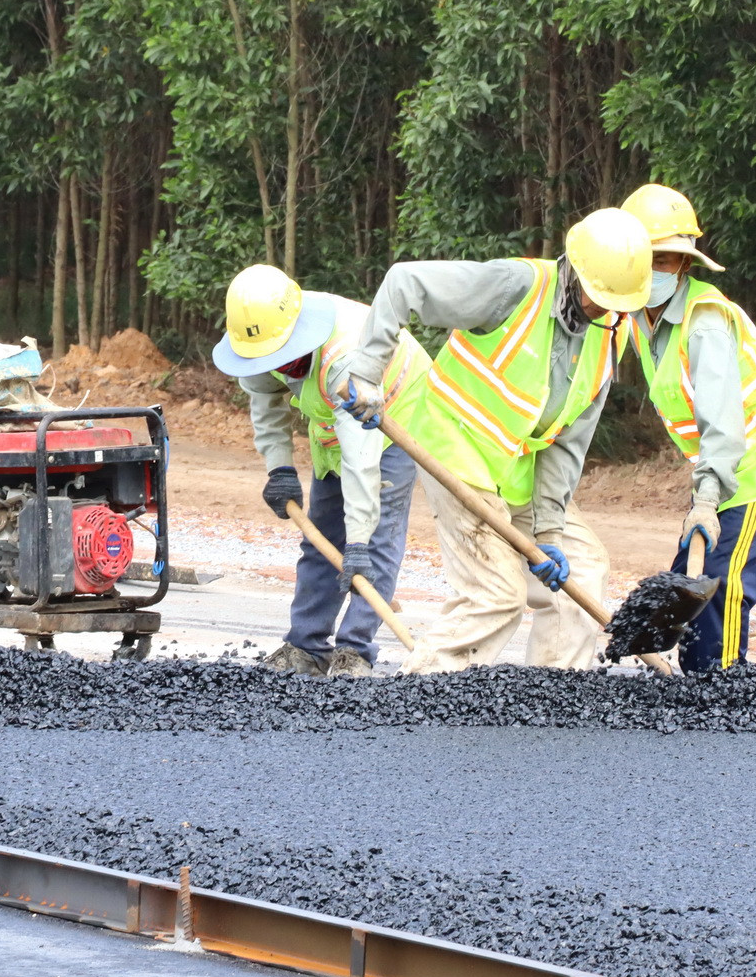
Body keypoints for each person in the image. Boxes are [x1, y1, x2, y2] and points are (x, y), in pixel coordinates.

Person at [340, 209, 652, 673]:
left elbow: (567, 442)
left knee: (583, 569)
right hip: (453, 451)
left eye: (615, 302)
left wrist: (549, 533)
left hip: (516, 473)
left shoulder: (611, 334)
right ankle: (418, 695)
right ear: (573, 269)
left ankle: (551, 698)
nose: (603, 309)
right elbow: (403, 283)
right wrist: (366, 372)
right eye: (596, 296)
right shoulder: (514, 286)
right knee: (496, 596)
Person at [618, 183, 756, 672]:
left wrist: (706, 500)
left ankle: (721, 689)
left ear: (684, 265)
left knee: (725, 582)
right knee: (693, 572)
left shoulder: (703, 322)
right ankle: (689, 673)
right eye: (648, 260)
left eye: (666, 261)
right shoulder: (639, 317)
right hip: (720, 466)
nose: (656, 271)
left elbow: (724, 423)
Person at [211, 264, 429, 677]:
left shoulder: (344, 356)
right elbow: (266, 403)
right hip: (332, 421)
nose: (275, 363)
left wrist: (359, 539)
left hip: (396, 415)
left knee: (374, 543)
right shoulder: (260, 341)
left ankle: (355, 651)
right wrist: (279, 470)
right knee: (321, 536)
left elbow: (362, 457)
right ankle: (306, 647)